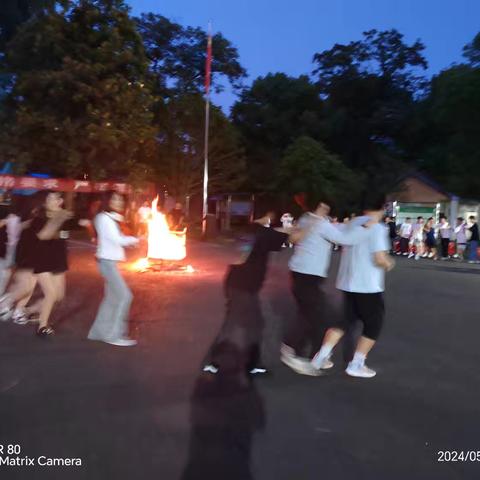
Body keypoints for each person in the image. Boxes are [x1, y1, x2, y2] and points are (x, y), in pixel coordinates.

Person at [281, 197, 374, 375]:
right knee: (314, 316)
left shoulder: (308, 218)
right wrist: (366, 229)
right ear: (319, 206)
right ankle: (295, 352)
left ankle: (309, 353)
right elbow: (342, 239)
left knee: (312, 313)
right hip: (308, 275)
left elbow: (337, 229)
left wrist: (353, 223)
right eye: (324, 205)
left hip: (302, 273)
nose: (327, 208)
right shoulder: (318, 222)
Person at [309, 196, 395, 378]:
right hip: (367, 285)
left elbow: (336, 235)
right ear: (383, 207)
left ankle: (321, 357)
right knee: (374, 324)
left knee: (345, 321)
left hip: (348, 282)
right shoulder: (377, 228)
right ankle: (357, 364)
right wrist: (389, 263)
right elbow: (379, 258)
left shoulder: (353, 223)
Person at [203, 211, 291, 377]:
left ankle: (246, 363)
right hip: (244, 287)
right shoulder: (264, 233)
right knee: (238, 325)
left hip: (236, 284)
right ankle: (217, 362)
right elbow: (291, 238)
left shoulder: (248, 229)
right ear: (269, 216)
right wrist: (310, 225)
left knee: (250, 324)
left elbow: (242, 251)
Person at [88, 192, 139, 346]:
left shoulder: (109, 218)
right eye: (115, 199)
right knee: (125, 296)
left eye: (121, 199)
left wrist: (130, 240)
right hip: (107, 263)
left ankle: (98, 332)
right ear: (107, 201)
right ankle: (114, 335)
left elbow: (116, 239)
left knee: (111, 298)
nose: (119, 202)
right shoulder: (104, 218)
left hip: (108, 262)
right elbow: (117, 239)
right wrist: (135, 239)